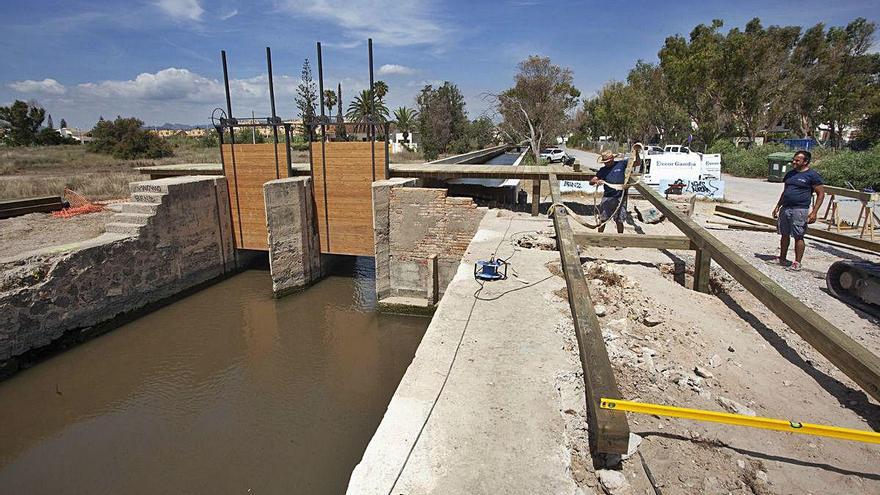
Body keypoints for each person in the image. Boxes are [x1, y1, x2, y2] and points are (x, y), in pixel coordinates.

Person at [772, 150, 825, 271]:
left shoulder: (812, 175)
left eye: (797, 160)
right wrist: (777, 206)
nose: (794, 162)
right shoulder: (790, 174)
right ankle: (782, 258)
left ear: (805, 162)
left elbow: (820, 194)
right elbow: (785, 191)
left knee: (798, 235)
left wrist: (814, 212)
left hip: (800, 209)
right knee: (784, 234)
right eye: (794, 159)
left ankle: (797, 262)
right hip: (786, 208)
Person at [590, 150, 628, 233]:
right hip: (608, 196)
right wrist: (596, 181)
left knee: (619, 220)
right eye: (604, 162)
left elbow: (636, 163)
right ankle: (600, 238)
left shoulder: (621, 164)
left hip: (620, 197)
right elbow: (592, 181)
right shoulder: (603, 170)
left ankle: (620, 240)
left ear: (612, 159)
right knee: (603, 218)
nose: (605, 163)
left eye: (607, 162)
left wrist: (636, 151)